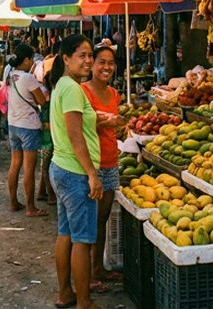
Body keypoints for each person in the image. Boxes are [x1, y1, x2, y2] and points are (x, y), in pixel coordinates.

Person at [49, 34, 102, 309]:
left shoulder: (63, 85)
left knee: (66, 233)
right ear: (66, 59)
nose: (88, 60)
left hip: (62, 169)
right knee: (82, 240)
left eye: (90, 55)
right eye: (82, 55)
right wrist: (92, 174)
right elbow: (75, 135)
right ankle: (84, 302)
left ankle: (65, 294)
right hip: (74, 173)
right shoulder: (71, 88)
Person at [81, 45, 127, 290]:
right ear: (92, 64)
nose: (106, 67)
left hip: (110, 160)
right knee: (89, 219)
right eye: (101, 61)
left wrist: (116, 124)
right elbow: (84, 126)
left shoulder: (114, 94)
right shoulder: (83, 92)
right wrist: (109, 121)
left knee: (102, 217)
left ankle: (98, 267)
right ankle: (86, 274)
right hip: (91, 163)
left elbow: (111, 126)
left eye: (110, 62)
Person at [6, 44, 49, 217]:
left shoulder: (10, 75)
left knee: (15, 164)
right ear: (26, 60)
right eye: (31, 59)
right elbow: (42, 101)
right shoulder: (28, 78)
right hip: (28, 126)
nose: (32, 62)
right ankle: (31, 207)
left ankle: (13, 202)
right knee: (29, 168)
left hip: (13, 124)